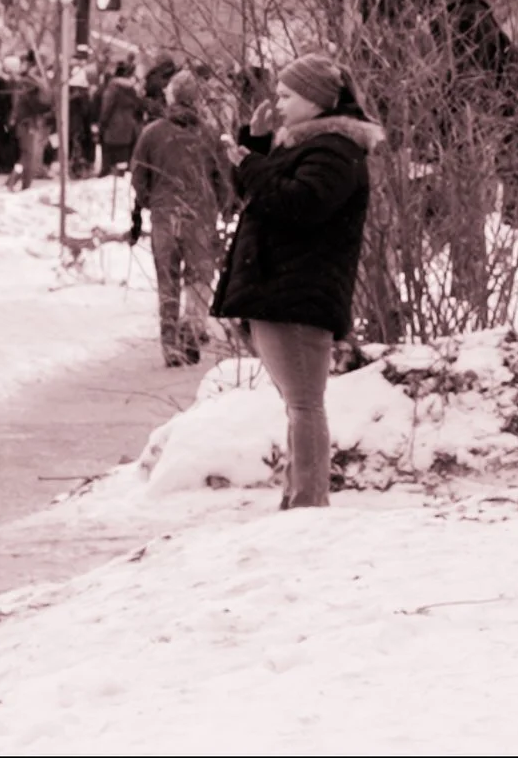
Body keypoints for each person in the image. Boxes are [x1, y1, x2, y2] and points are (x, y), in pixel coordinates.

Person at [209, 54, 380, 508]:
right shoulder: (310, 146)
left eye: (287, 95)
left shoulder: (334, 150)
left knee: (304, 403)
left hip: (298, 292)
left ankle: (308, 502)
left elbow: (299, 204)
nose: (278, 103)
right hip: (282, 289)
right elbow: (266, 195)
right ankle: (299, 498)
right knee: (298, 402)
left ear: (316, 100)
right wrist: (255, 147)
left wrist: (252, 164)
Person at [132, 71, 235, 366]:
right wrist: (224, 206)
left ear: (171, 97)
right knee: (199, 276)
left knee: (168, 280)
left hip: (165, 214)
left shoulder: (152, 133)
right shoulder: (210, 134)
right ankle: (191, 328)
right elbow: (222, 178)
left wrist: (150, 202)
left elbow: (139, 176)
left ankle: (170, 345)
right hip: (201, 214)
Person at [96, 60, 146, 177]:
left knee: (111, 152)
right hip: (129, 125)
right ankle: (121, 174)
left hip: (113, 125)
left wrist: (102, 123)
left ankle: (108, 173)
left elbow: (107, 107)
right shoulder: (132, 89)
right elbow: (139, 105)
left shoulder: (113, 87)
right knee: (123, 154)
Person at [11, 54, 53, 191]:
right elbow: (37, 104)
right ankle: (19, 182)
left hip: (26, 123)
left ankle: (17, 181)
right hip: (27, 124)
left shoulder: (26, 86)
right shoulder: (28, 87)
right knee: (28, 156)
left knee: (26, 156)